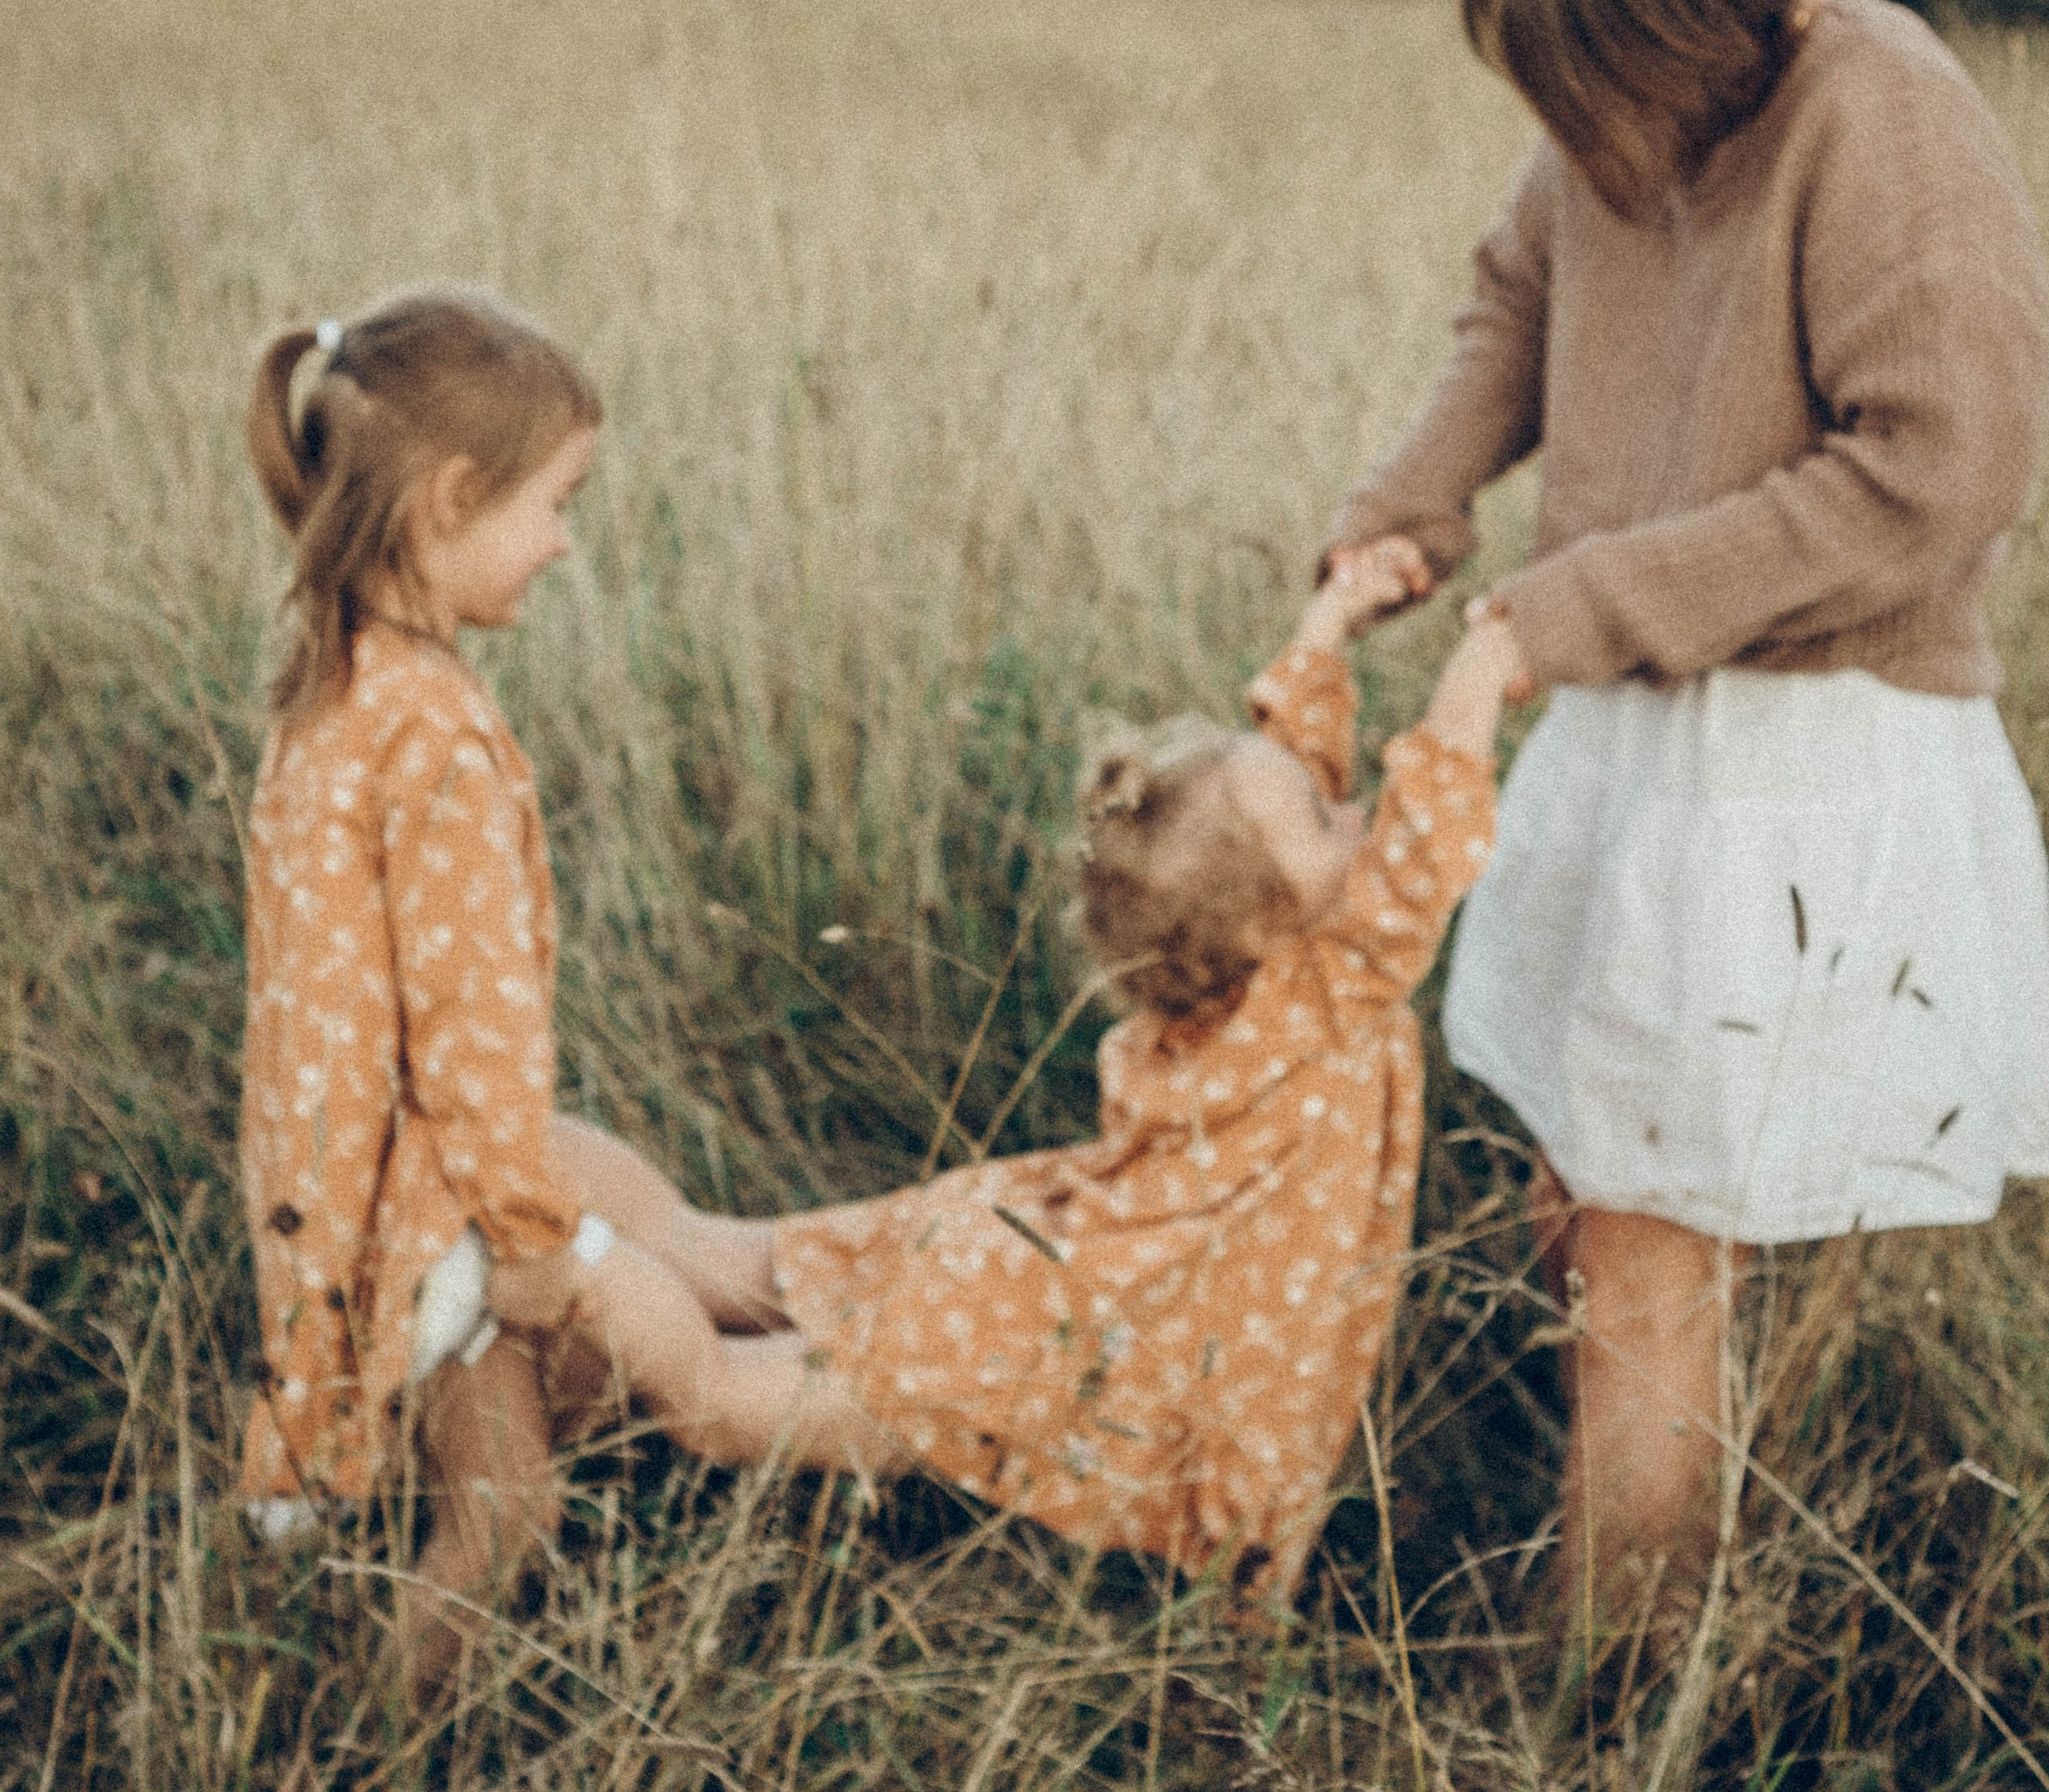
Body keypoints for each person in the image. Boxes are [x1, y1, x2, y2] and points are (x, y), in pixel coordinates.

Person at [1321, 0, 2049, 1629]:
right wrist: (1412, 508)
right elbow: (1518, 299)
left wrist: (1567, 609)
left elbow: (1933, 473)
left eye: (1587, 75)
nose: (1572, 120)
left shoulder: (1881, 115)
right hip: (1631, 711)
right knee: (1586, 1200)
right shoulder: (1617, 84)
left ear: (1699, 2)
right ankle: (1618, 1605)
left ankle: (1612, 1722)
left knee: (1646, 1248)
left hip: (1799, 753)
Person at [491, 544, 1526, 1600]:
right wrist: (1484, 661)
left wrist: (1333, 623)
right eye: (1324, 819)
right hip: (1045, 1327)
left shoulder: (1274, 965)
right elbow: (1422, 844)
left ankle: (492, 1150)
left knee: (699, 1246)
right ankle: (554, 1260)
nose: (1355, 817)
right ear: (1263, 922)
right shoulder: (1324, 984)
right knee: (715, 1403)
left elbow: (1288, 791)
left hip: (1023, 1248)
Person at [238, 288, 731, 1671]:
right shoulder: (438, 738)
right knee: (504, 1518)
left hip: (332, 1178)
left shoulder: (335, 683)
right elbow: (469, 1030)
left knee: (474, 1488)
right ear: (449, 504)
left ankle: (286, 1667)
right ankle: (373, 1785)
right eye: (556, 502)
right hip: (433, 1200)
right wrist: (522, 1240)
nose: (567, 540)